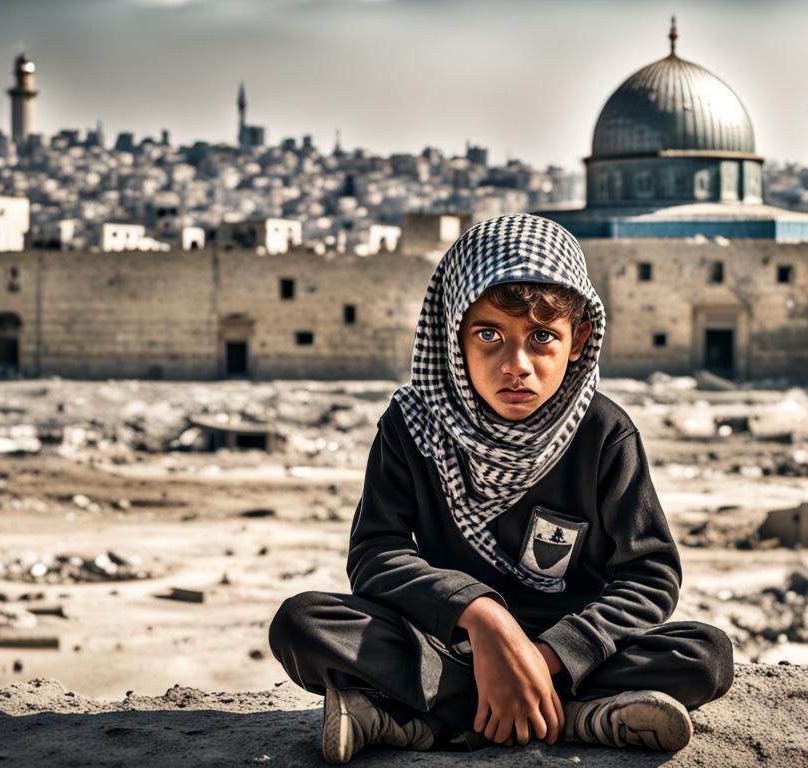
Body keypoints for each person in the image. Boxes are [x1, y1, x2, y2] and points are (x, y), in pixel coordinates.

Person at [269, 214, 733, 763]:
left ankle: (428, 719)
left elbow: (649, 576)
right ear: (454, 335)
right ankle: (574, 716)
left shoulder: (603, 433)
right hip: (448, 640)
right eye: (489, 335)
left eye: (542, 338)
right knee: (303, 624)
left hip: (568, 647)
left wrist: (544, 656)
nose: (517, 366)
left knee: (705, 655)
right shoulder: (413, 425)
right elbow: (376, 554)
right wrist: (483, 619)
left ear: (579, 338)